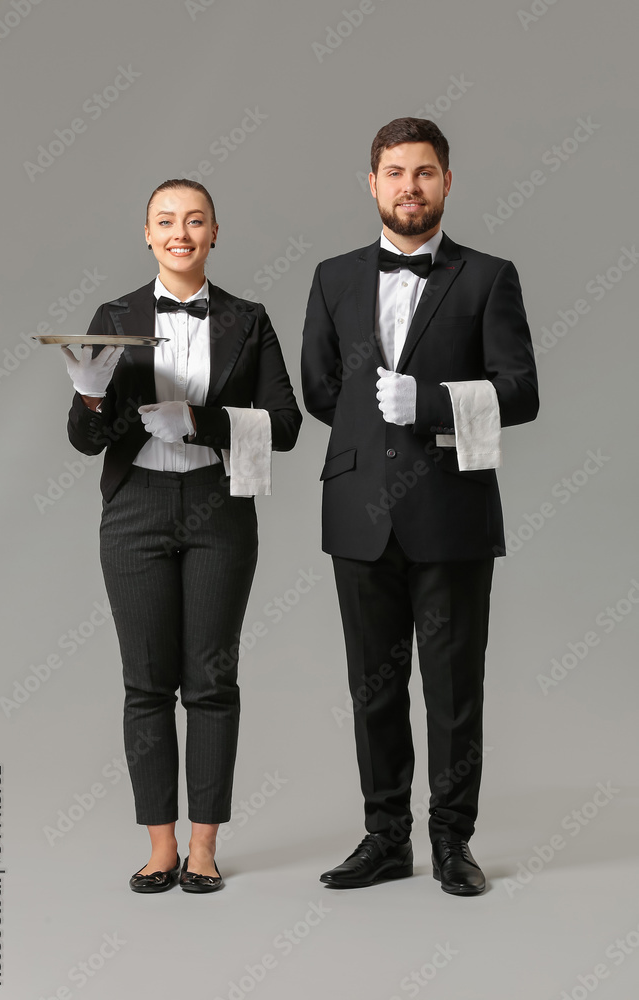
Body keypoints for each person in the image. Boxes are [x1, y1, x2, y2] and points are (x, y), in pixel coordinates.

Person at [301, 118, 538, 895]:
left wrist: (429, 404)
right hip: (357, 511)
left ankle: (450, 841)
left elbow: (520, 391)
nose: (410, 187)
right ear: (371, 183)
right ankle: (384, 839)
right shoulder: (332, 276)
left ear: (446, 183)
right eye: (396, 173)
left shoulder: (488, 276)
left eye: (424, 172)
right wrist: (377, 438)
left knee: (452, 690)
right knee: (371, 690)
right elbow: (320, 389)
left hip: (451, 512)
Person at [63, 179, 301, 893]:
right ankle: (159, 847)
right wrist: (91, 398)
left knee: (211, 682)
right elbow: (84, 441)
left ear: (214, 233)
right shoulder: (113, 316)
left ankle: (203, 848)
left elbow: (286, 424)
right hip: (133, 508)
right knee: (145, 684)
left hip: (217, 507)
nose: (180, 233)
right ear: (147, 233)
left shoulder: (248, 319)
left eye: (195, 220)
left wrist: (200, 421)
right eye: (165, 221)